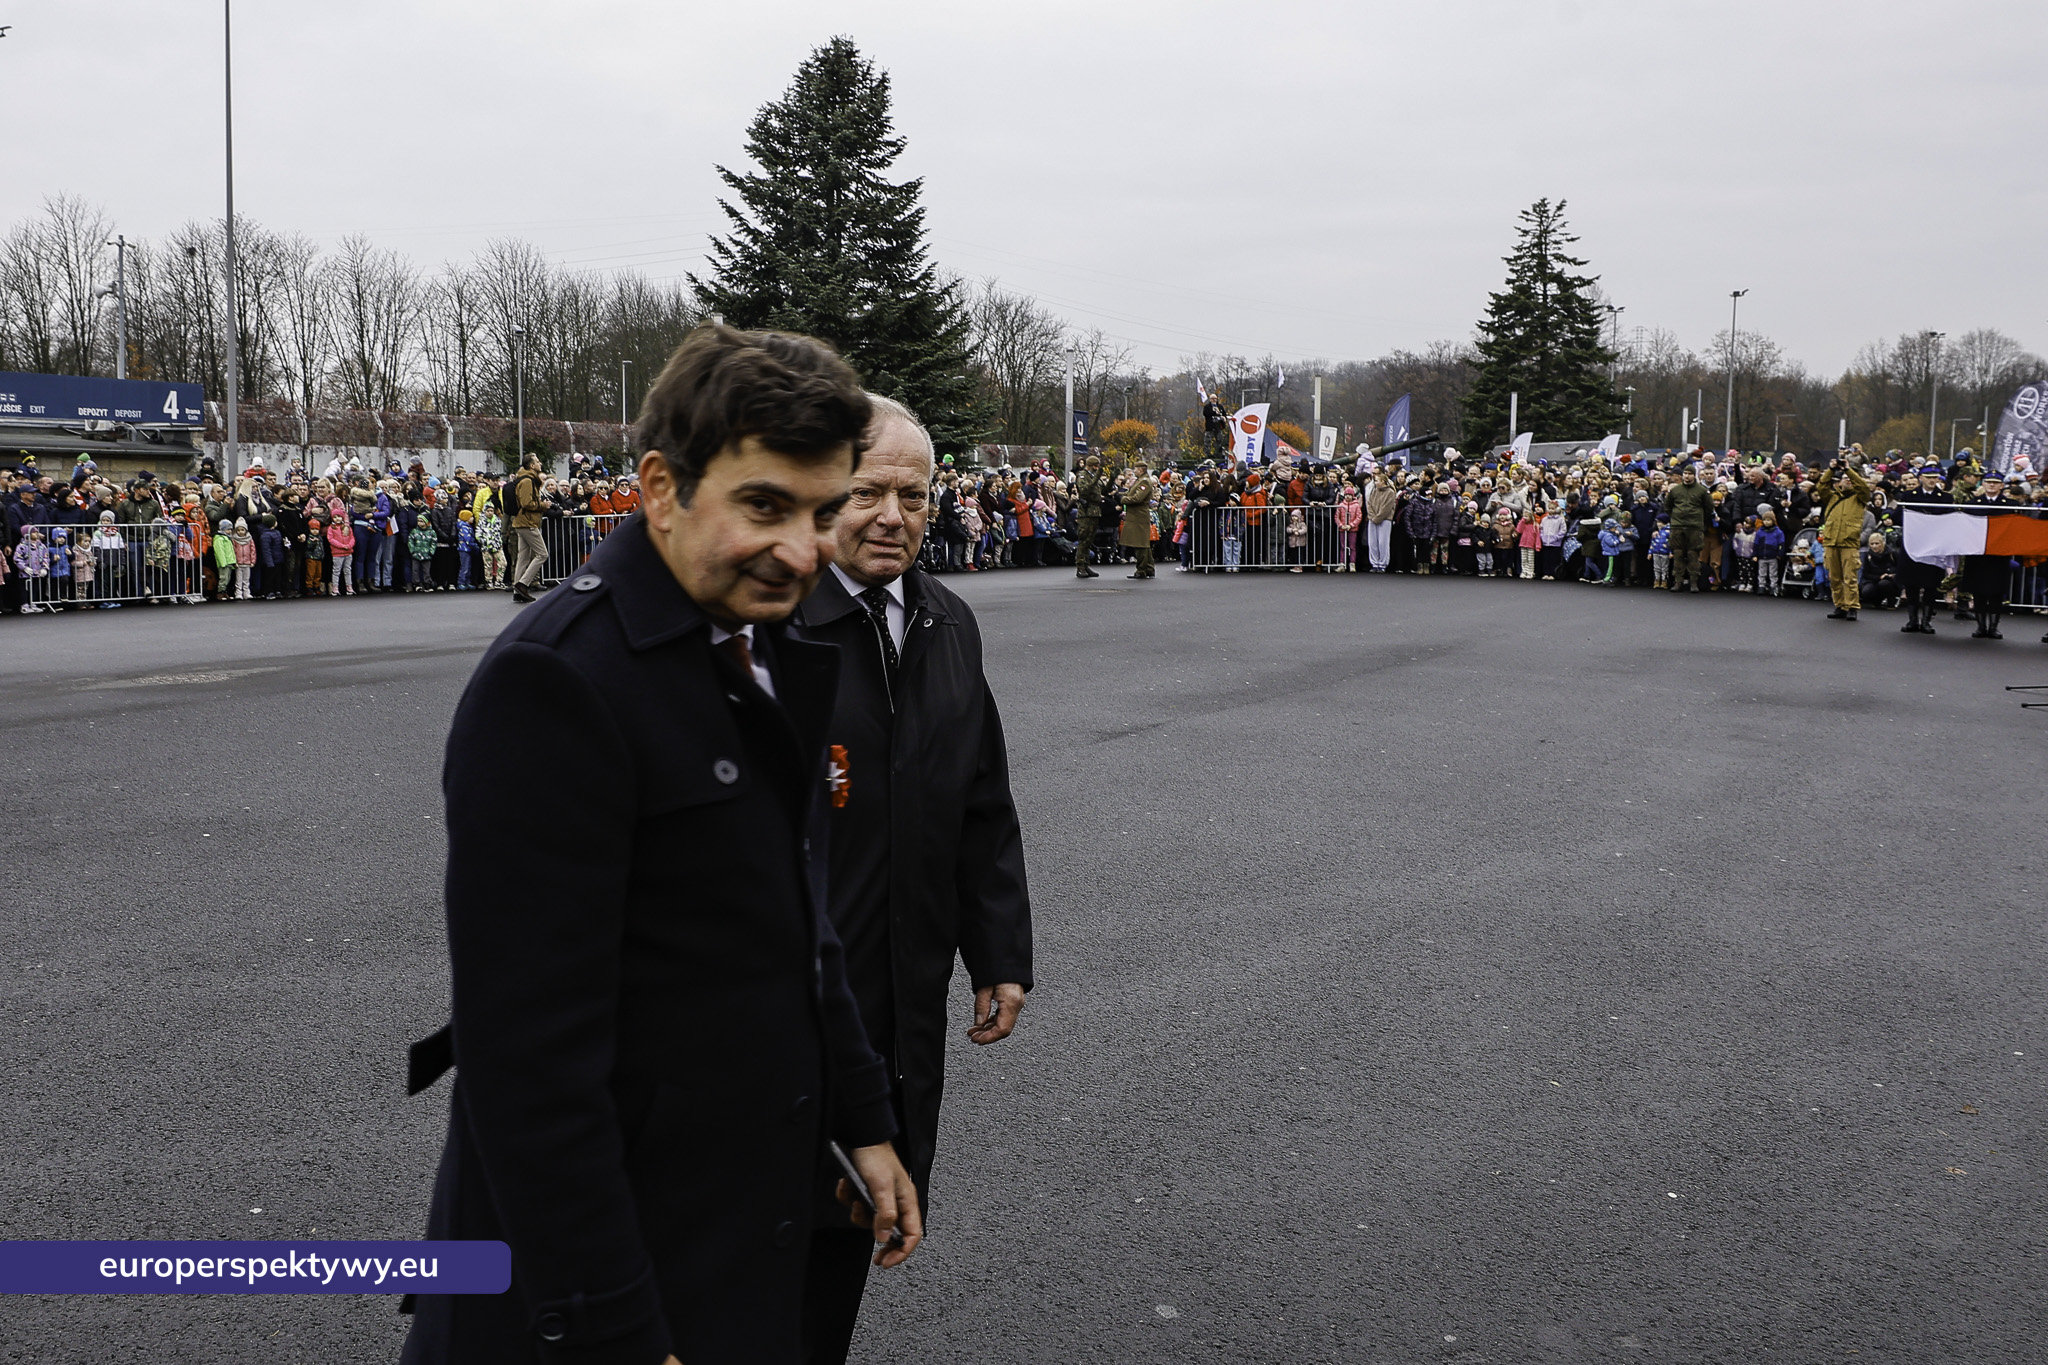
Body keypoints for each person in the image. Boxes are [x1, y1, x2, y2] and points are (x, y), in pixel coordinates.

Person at [400, 325, 921, 1365]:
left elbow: (794, 916)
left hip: (731, 1217)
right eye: (764, 507)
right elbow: (526, 1063)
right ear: (658, 487)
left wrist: (863, 1115)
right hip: (604, 1274)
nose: (803, 550)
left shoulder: (759, 636)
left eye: (821, 513)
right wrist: (614, 1331)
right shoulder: (554, 682)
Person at [790, 394, 1033, 1364]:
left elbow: (980, 800)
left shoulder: (948, 623)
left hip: (905, 1001)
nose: (894, 515)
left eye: (916, 495)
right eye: (869, 492)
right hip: (789, 1018)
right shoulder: (776, 630)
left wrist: (998, 953)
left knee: (848, 1242)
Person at [1815, 454, 1871, 621]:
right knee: (1834, 577)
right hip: (1831, 540)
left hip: (1849, 542)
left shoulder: (1860, 497)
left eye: (1849, 478)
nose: (1847, 480)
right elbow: (1821, 487)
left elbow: (1864, 488)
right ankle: (1839, 605)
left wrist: (1848, 469)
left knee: (1850, 577)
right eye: (1844, 478)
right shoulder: (1833, 497)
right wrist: (1831, 469)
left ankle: (1852, 606)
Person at [506, 452, 549, 604]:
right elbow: (526, 503)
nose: (540, 464)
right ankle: (523, 584)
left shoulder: (525, 479)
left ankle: (517, 591)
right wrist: (542, 506)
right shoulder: (527, 481)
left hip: (523, 522)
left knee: (523, 557)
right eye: (537, 461)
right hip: (527, 522)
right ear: (531, 465)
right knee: (542, 554)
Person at [1663, 465, 1712, 593]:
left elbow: (1708, 508)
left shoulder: (1701, 491)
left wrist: (1701, 521)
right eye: (1685, 473)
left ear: (1694, 475)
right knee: (1678, 554)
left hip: (1694, 527)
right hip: (1677, 526)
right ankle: (1678, 581)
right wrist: (1675, 518)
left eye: (1690, 473)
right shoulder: (1675, 490)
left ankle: (1694, 582)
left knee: (1693, 554)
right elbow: (1668, 506)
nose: (1687, 476)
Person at [1120, 459, 1157, 579]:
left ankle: (1141, 569)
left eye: (1135, 469)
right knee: (1143, 544)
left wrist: (1123, 499)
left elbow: (1137, 498)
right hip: (1137, 515)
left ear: (1140, 470)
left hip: (1139, 516)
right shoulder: (1141, 480)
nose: (1134, 471)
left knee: (1140, 543)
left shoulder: (1144, 482)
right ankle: (1149, 568)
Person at [1073, 454, 1106, 578]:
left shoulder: (1092, 476)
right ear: (1091, 466)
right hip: (1085, 512)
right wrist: (1097, 476)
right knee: (1083, 539)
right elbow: (1084, 490)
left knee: (1090, 540)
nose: (1097, 468)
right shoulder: (1082, 476)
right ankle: (1080, 566)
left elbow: (1103, 490)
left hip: (1094, 511)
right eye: (1096, 466)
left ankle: (1086, 565)